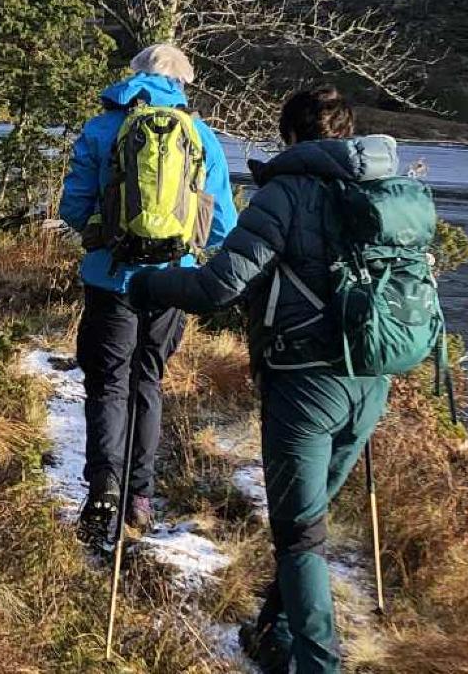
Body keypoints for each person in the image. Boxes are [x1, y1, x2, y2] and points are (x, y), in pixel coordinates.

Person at [131, 87, 405, 674]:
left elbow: (217, 288)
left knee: (299, 535)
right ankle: (275, 631)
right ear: (348, 133)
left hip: (305, 385)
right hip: (374, 377)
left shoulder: (284, 195)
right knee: (312, 518)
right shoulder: (384, 191)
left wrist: (149, 285)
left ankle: (315, 663)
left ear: (290, 137)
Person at [57, 44, 238, 546]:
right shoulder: (200, 136)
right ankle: (140, 496)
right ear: (184, 82)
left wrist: (105, 226)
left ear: (133, 76)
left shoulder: (100, 128)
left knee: (108, 383)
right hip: (171, 282)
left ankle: (103, 492)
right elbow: (223, 225)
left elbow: (72, 208)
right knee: (147, 382)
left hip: (109, 279)